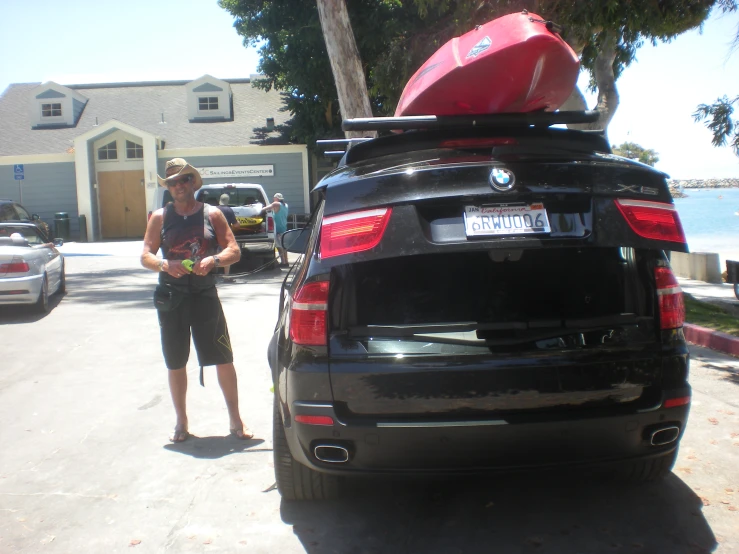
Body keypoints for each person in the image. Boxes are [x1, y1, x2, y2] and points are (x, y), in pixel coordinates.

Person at [140, 158, 253, 443]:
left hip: (204, 294)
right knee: (175, 361)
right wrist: (166, 265)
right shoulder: (159, 217)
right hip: (171, 296)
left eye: (183, 180)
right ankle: (181, 421)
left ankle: (236, 420)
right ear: (168, 187)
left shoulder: (212, 214)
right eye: (172, 182)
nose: (178, 186)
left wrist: (213, 260)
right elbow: (146, 255)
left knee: (223, 357)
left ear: (192, 182)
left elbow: (234, 250)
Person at [262, 192, 289, 267]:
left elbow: (265, 209)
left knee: (279, 247)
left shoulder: (276, 204)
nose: (273, 199)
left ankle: (283, 262)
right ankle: (286, 261)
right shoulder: (285, 205)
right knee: (283, 246)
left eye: (274, 198)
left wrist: (259, 209)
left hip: (278, 229)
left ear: (276, 199)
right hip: (284, 227)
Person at [216, 194, 238, 276]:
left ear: (220, 200)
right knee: (226, 255)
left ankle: (214, 273)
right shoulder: (229, 210)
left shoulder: (214, 209)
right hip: (225, 236)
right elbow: (236, 225)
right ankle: (226, 276)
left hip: (214, 235)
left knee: (215, 254)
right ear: (228, 201)